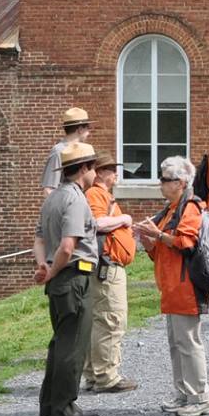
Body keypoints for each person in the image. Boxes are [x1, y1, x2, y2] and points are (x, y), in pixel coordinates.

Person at [129, 154, 209, 416]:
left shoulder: (190, 207)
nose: (161, 185)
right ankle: (184, 393)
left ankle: (200, 398)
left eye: (165, 180)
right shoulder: (170, 209)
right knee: (177, 343)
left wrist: (158, 235)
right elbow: (163, 251)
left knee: (188, 343)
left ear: (180, 182)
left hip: (186, 285)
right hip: (172, 286)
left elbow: (186, 243)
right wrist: (149, 241)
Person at [33, 140, 100, 416]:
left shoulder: (53, 198)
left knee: (60, 342)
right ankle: (65, 406)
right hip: (73, 276)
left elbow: (38, 239)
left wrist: (43, 266)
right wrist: (54, 270)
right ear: (83, 168)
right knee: (73, 344)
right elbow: (67, 247)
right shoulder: (74, 198)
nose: (95, 173)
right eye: (93, 167)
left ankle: (49, 403)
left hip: (60, 278)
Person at [83, 154, 138, 394]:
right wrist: (124, 219)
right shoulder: (96, 194)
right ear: (101, 172)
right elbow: (96, 223)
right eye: (113, 170)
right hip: (108, 266)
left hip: (108, 265)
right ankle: (106, 376)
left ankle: (95, 374)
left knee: (101, 320)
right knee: (111, 320)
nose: (116, 174)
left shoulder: (102, 195)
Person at [42, 107, 91, 196]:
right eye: (88, 127)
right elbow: (49, 190)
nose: (89, 132)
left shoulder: (81, 150)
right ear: (80, 129)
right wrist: (65, 208)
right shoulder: (58, 151)